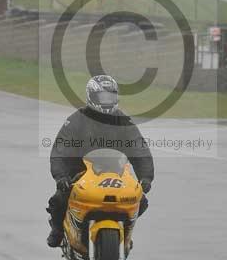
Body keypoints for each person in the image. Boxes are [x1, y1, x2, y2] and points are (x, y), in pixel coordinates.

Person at [46, 74, 154, 247]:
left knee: (141, 202)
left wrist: (146, 177)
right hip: (80, 172)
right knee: (59, 199)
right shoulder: (76, 120)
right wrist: (61, 177)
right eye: (103, 97)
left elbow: (139, 148)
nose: (107, 101)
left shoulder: (123, 121)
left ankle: (125, 232)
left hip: (116, 173)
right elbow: (60, 149)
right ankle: (58, 230)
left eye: (111, 97)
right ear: (92, 96)